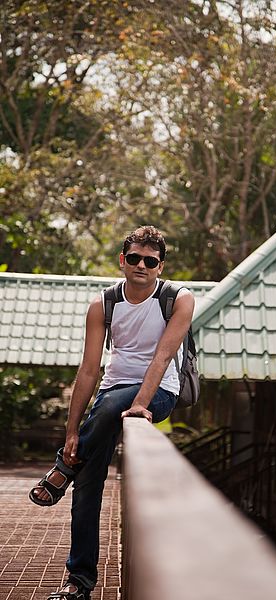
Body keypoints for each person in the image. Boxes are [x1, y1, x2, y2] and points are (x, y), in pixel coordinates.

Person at [29, 225, 195, 600]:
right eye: (134, 258)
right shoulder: (103, 303)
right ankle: (79, 582)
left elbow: (163, 355)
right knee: (88, 484)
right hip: (110, 397)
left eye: (150, 261)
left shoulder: (178, 298)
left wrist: (140, 403)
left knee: (113, 406)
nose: (141, 265)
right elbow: (89, 370)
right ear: (123, 260)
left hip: (159, 395)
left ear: (160, 266)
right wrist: (72, 433)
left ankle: (62, 469)